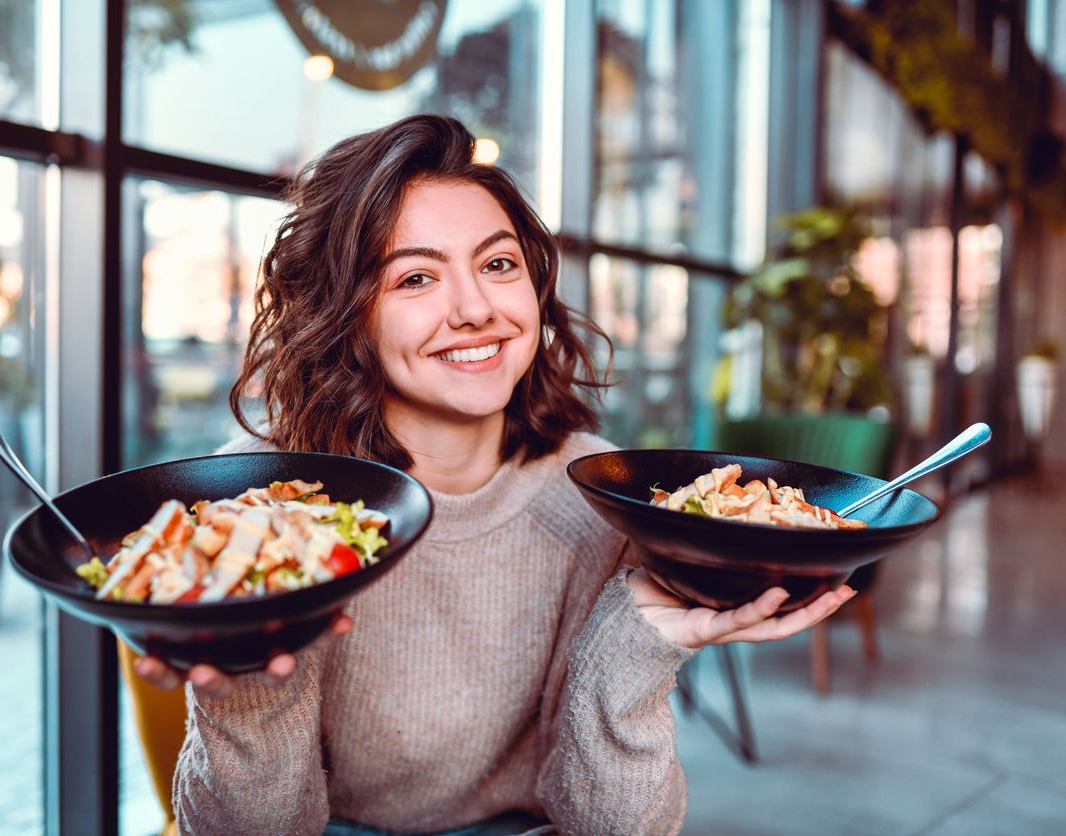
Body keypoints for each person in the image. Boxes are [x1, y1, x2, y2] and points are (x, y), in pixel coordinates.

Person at [135, 114, 854, 835]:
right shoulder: (253, 506)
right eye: (415, 277)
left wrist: (637, 653)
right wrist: (249, 690)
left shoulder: (602, 497)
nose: (477, 309)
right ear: (346, 315)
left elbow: (613, 828)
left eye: (498, 264)